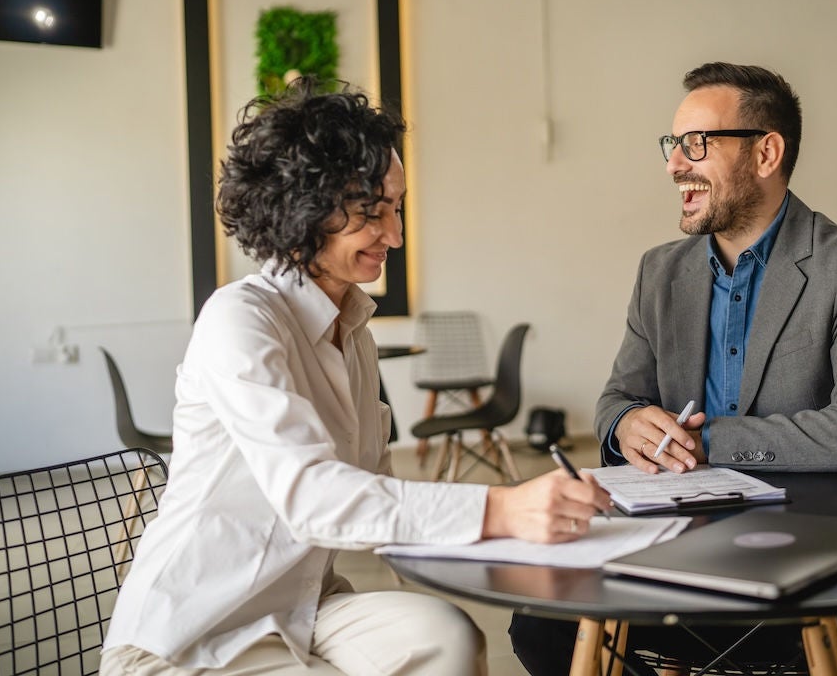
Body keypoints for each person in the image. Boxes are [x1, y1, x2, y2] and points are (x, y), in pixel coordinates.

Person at [101, 79, 611, 676]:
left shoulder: (356, 333)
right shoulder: (239, 318)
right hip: (194, 634)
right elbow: (315, 498)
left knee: (445, 636)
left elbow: (379, 496)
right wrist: (501, 508)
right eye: (372, 212)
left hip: (308, 610)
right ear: (301, 211)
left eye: (396, 208)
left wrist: (532, 533)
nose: (394, 234)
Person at [510, 62, 837, 675]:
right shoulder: (660, 271)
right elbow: (617, 398)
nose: (673, 164)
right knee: (541, 627)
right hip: (677, 547)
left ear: (766, 153)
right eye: (671, 145)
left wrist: (704, 442)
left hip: (813, 550)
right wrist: (628, 425)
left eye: (696, 144)